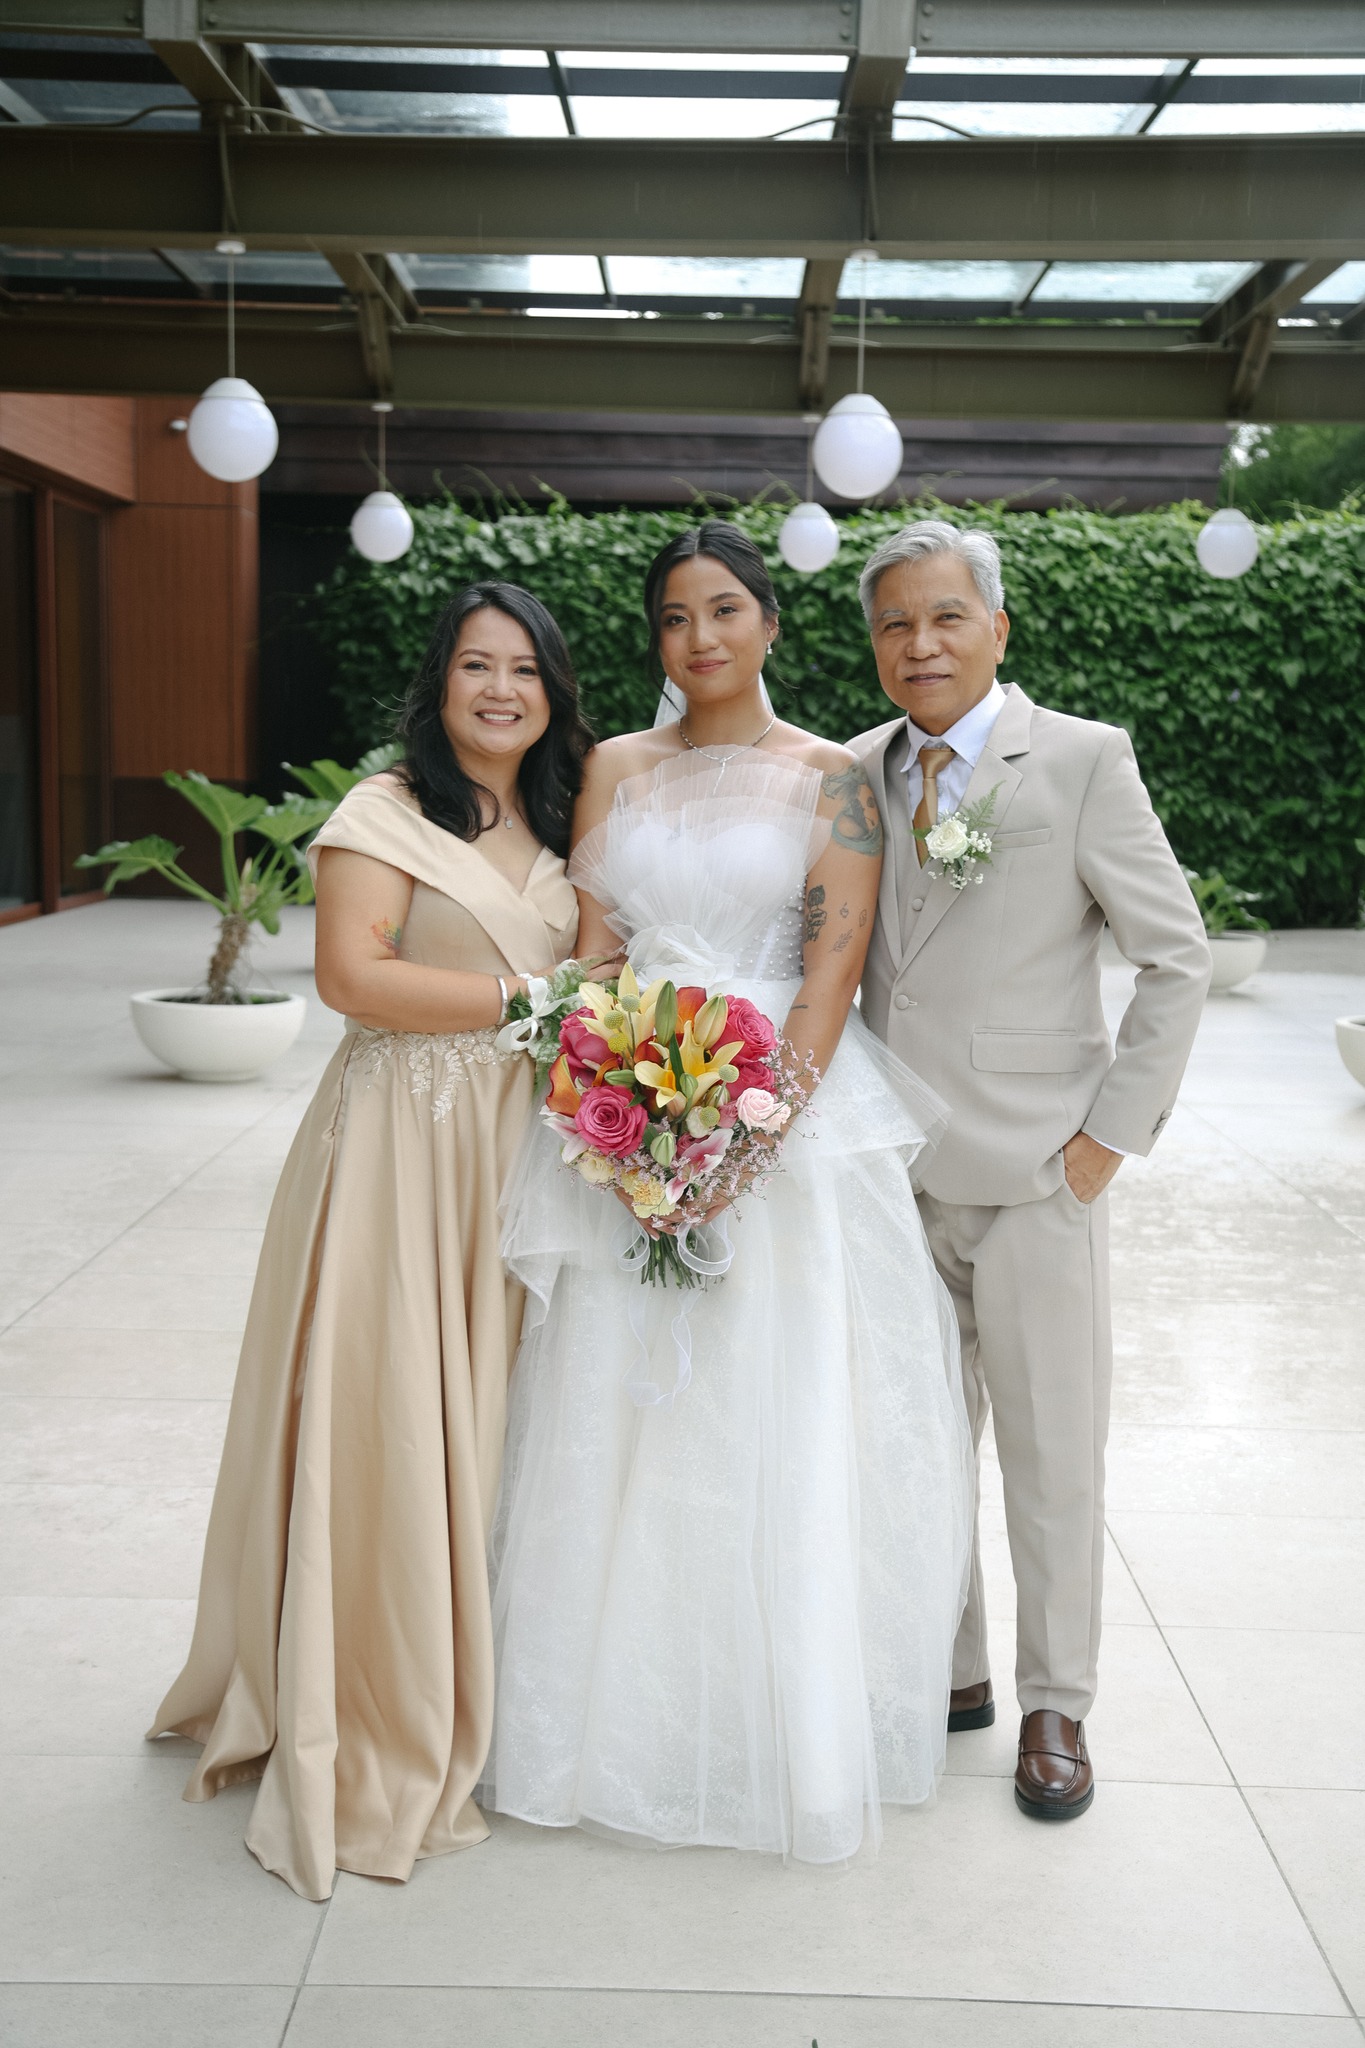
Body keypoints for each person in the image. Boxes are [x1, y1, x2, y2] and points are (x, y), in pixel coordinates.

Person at [479, 520, 972, 1864]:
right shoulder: (614, 770)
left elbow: (828, 974)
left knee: (773, 1402)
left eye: (722, 610)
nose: (698, 638)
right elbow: (597, 957)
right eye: (672, 618)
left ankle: (777, 1728)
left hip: (776, 1126)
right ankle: (609, 1728)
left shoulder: (832, 779)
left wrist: (741, 1146)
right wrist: (610, 1110)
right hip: (626, 1108)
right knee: (613, 1404)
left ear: (767, 622)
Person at [147, 582, 589, 1898]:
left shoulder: (570, 818)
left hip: (524, 1149)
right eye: (476, 666)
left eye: (524, 669)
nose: (500, 690)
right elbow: (356, 978)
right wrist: (541, 997)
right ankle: (374, 1692)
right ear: (439, 683)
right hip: (402, 1144)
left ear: (555, 691)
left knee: (501, 1412)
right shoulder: (383, 811)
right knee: (392, 1409)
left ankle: (496, 1674)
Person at [850, 520, 1210, 1821]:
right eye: (895, 623)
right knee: (915, 1446)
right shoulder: (852, 773)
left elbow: (1176, 957)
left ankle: (1057, 1702)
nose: (920, 643)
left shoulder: (1078, 759)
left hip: (1038, 1179)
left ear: (997, 627)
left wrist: (1104, 1142)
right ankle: (949, 1673)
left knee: (1052, 1458)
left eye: (945, 615)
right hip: (890, 1178)